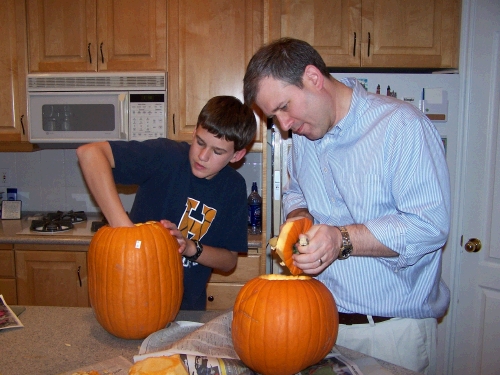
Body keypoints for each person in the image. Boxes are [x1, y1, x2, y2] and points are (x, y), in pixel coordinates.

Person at [243, 38, 450, 374]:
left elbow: (428, 227)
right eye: (273, 117)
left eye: (284, 107)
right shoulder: (306, 135)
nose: (284, 125)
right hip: (322, 328)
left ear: (312, 77)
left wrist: (341, 239)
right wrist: (298, 217)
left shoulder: (401, 126)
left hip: (391, 335)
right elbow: (297, 192)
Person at [77, 95, 256, 310]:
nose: (202, 156)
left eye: (217, 151)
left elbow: (229, 261)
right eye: (199, 142)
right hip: (132, 301)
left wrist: (190, 247)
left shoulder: (233, 187)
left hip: (187, 308)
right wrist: (125, 231)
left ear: (237, 155)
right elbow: (89, 153)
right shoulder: (165, 156)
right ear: (194, 132)